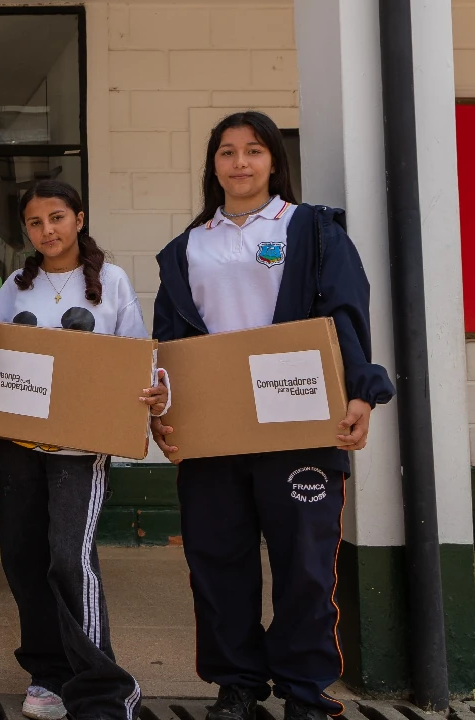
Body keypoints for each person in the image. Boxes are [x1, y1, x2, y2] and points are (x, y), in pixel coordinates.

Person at [149, 111, 394, 720]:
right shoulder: (185, 249)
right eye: (227, 152)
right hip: (214, 432)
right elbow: (168, 343)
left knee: (305, 565)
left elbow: (346, 314)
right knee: (217, 562)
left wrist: (361, 393)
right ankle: (237, 684)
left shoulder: (312, 229)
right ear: (213, 166)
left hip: (300, 421)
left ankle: (304, 691)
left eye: (254, 150)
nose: (240, 162)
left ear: (274, 161)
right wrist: (163, 412)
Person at [0, 179, 167, 720]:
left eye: (57, 217)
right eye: (35, 222)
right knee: (23, 558)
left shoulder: (112, 281)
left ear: (79, 219)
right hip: (18, 446)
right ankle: (48, 675)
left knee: (70, 559)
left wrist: (154, 395)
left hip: (81, 450)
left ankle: (103, 689)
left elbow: (137, 359)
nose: (47, 230)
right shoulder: (17, 285)